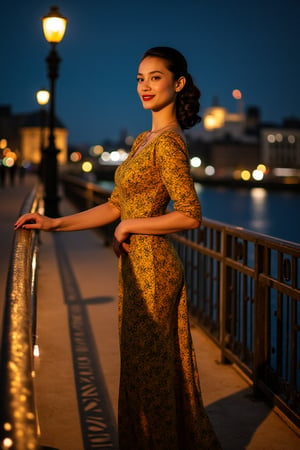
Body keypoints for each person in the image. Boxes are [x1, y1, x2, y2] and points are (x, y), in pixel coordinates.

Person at [15, 47, 221, 449]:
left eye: (155, 77)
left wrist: (131, 224)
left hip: (155, 272)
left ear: (178, 84)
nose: (144, 86)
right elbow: (114, 205)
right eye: (140, 78)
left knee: (151, 375)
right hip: (136, 267)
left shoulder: (170, 144)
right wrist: (55, 223)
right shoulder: (145, 139)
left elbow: (190, 215)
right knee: (143, 370)